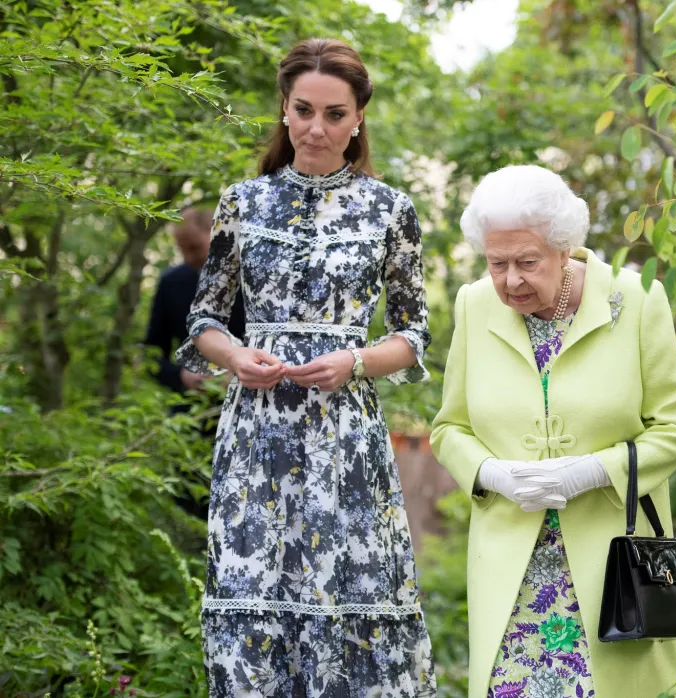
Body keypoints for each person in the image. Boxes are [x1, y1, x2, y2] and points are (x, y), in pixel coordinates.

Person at [175, 38, 436, 697]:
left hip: (345, 441)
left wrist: (354, 360)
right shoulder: (241, 203)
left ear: (358, 119)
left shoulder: (391, 210)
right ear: (284, 111)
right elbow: (203, 320)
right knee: (254, 604)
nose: (318, 128)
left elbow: (412, 335)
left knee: (353, 604)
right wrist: (235, 354)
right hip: (257, 438)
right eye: (304, 110)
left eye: (335, 114)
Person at [430, 165, 676, 698]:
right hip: (513, 567)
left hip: (614, 568)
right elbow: (449, 428)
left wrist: (593, 471)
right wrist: (491, 472)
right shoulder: (473, 304)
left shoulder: (637, 299)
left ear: (564, 249)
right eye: (496, 263)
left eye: (527, 262)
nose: (510, 280)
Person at [144, 208, 245, 395]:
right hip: (190, 408)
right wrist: (181, 375)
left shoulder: (254, 280)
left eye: (194, 248)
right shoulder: (171, 284)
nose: (188, 258)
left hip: (251, 400)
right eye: (182, 249)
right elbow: (151, 353)